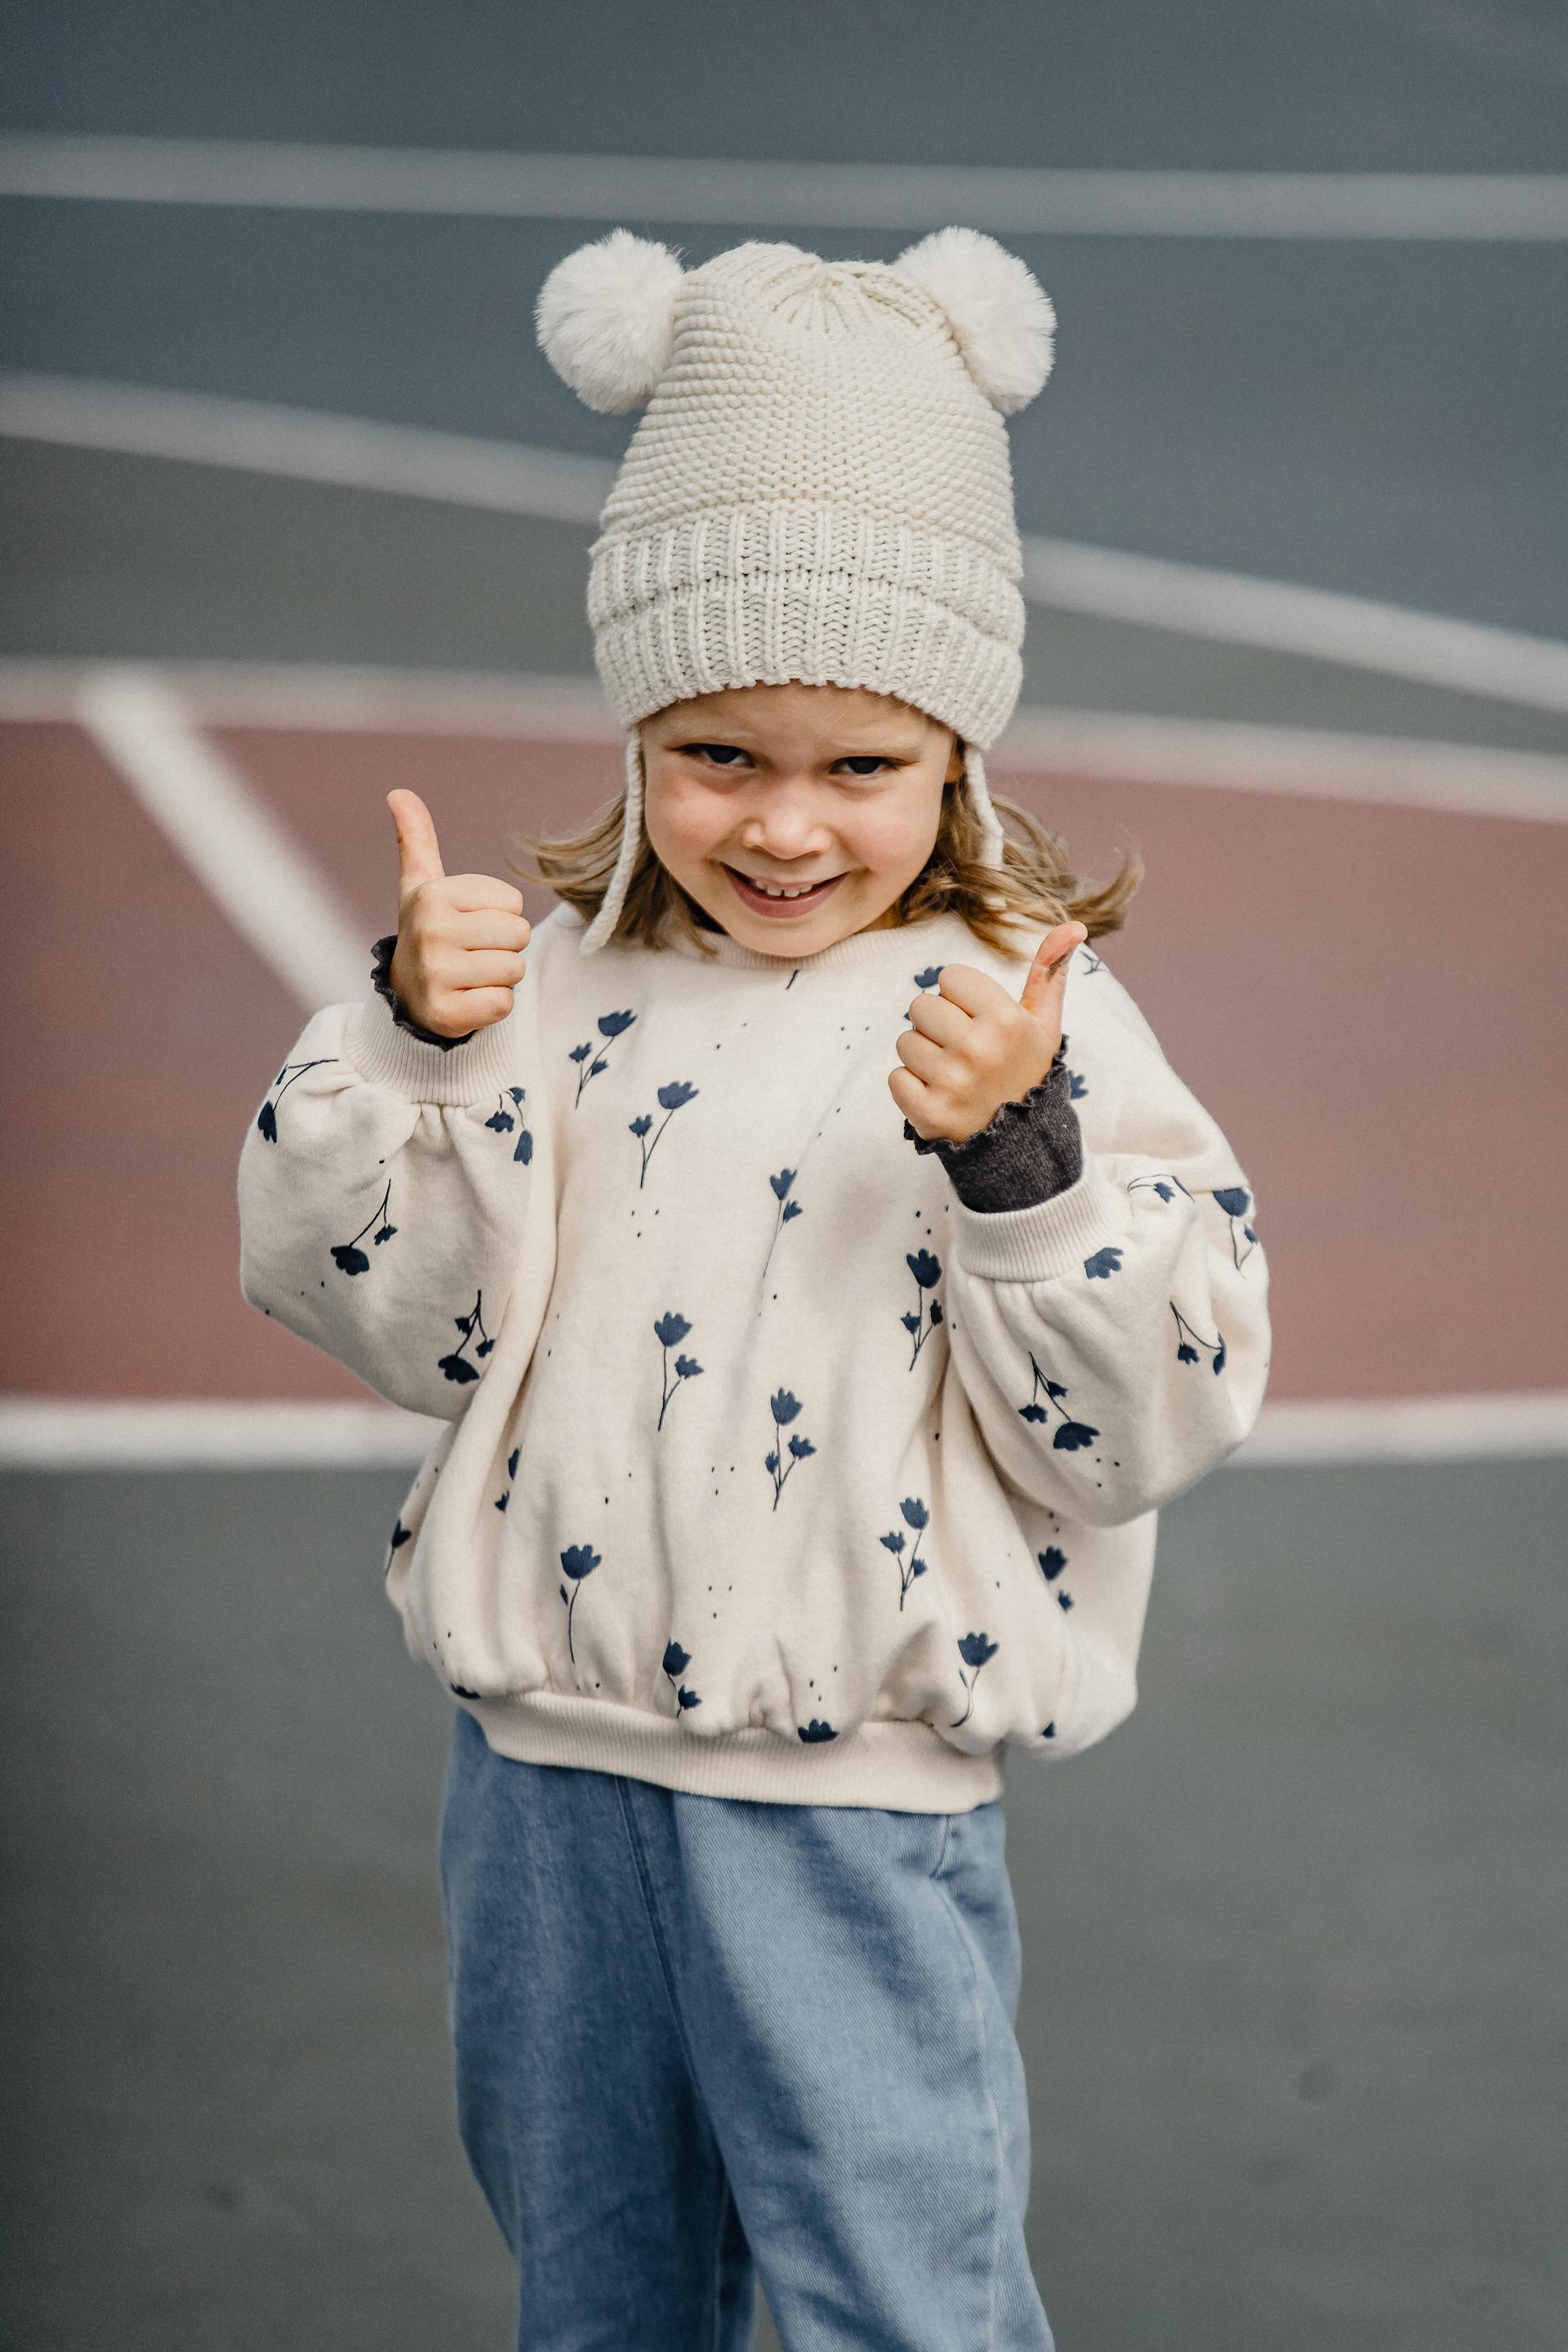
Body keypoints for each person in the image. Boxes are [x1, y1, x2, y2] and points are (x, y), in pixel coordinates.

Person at [238, 224, 1271, 2352]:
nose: (787, 825)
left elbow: (1148, 1419)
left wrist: (1020, 1161)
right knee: (603, 2303)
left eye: (860, 766)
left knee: (898, 2304)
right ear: (636, 732)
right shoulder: (545, 986)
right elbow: (401, 1322)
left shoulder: (1029, 1012)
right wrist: (407, 1051)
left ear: (960, 758)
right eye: (719, 754)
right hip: (541, 1799)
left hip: (846, 1815)